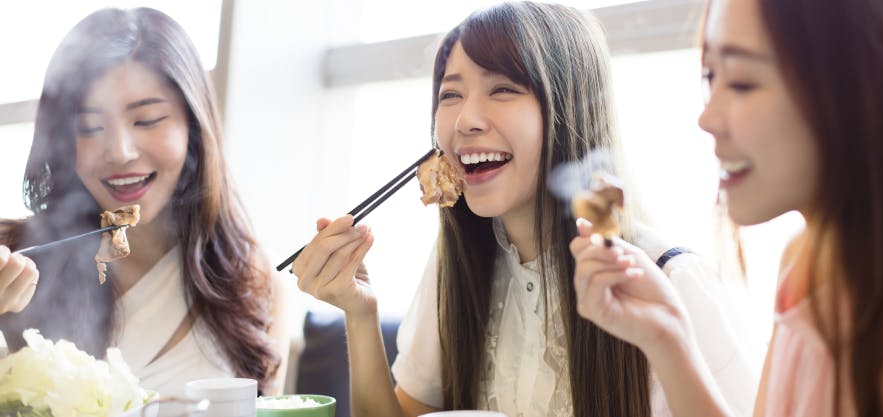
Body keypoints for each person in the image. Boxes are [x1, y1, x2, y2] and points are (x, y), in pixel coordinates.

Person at [292, 2, 757, 416]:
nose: (466, 120)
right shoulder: (460, 262)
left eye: (503, 89)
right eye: (450, 94)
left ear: (567, 108)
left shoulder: (666, 283)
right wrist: (360, 313)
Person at [571, 0, 883, 415]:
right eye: (711, 76)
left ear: (863, 84)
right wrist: (666, 336)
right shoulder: (805, 261)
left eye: (741, 82)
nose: (706, 118)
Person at [0, 7, 288, 396]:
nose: (118, 152)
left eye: (147, 119)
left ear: (194, 126)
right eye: (89, 127)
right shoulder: (14, 260)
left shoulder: (252, 280)